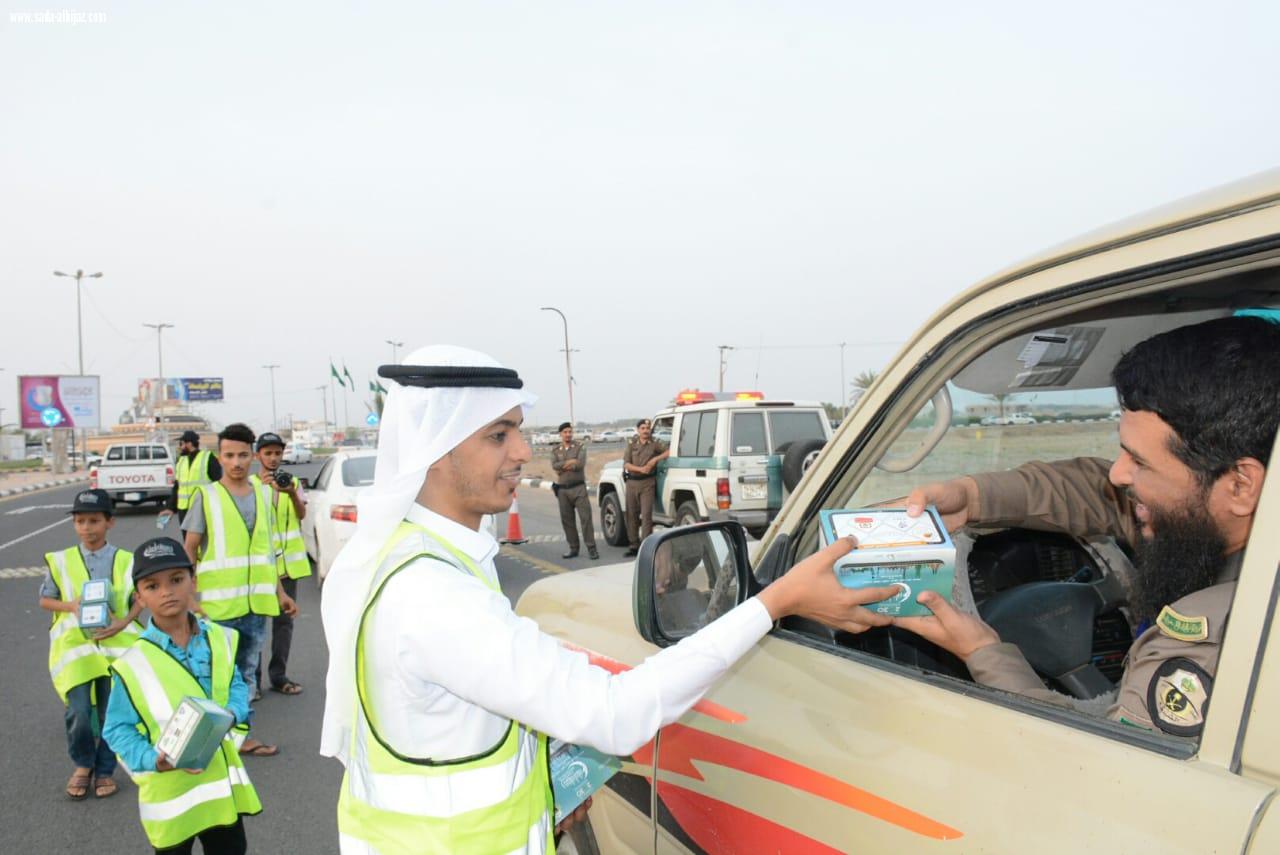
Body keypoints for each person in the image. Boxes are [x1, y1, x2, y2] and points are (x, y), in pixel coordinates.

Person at [320, 346, 896, 855]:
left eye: (519, 429)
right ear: (438, 451)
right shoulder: (431, 594)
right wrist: (772, 603)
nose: (523, 450)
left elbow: (457, 736)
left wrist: (542, 792)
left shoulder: (424, 558)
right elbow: (615, 715)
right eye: (498, 435)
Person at [892, 315, 1279, 737]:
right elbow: (1093, 491)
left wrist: (983, 651)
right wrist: (972, 497)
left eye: (1141, 462)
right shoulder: (1220, 524)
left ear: (1241, 484)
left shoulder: (1202, 644)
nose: (1118, 474)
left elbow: (1099, 767)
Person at [104, 536, 261, 854]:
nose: (166, 592)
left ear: (194, 580)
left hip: (219, 791)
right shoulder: (132, 663)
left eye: (176, 580)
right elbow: (116, 729)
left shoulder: (221, 638)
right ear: (140, 597)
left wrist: (232, 713)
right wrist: (152, 760)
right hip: (170, 795)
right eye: (152, 586)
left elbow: (236, 686)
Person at [182, 422, 297, 756]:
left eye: (243, 455)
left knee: (246, 675)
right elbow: (189, 551)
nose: (236, 462)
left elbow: (265, 551)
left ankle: (241, 737)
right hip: (216, 609)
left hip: (255, 607)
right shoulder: (206, 496)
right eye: (229, 455)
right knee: (213, 674)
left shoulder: (264, 495)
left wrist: (280, 593)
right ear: (219, 457)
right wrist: (190, 599)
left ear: (253, 456)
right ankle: (207, 738)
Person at [38, 488, 143, 800]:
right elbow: (45, 599)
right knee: (81, 712)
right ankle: (83, 763)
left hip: (117, 647)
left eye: (94, 520)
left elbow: (141, 599)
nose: (87, 528)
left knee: (113, 712)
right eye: (80, 521)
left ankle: (105, 769)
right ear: (74, 524)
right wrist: (71, 606)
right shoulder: (60, 561)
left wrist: (124, 621)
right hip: (76, 650)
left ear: (109, 522)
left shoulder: (127, 560)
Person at [250, 432, 310, 696]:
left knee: (284, 624)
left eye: (277, 453)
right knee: (256, 624)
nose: (273, 459)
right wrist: (263, 490)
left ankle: (279, 676)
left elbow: (301, 515)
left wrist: (290, 494)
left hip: (288, 567)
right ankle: (254, 680)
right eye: (268, 453)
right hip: (261, 566)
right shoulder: (250, 485)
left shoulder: (292, 482)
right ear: (258, 456)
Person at [623, 417, 669, 557]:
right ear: (638, 430)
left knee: (647, 516)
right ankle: (633, 545)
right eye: (642, 428)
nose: (645, 431)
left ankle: (646, 547)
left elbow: (669, 451)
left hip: (647, 484)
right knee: (632, 515)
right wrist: (640, 469)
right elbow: (626, 464)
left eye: (648, 428)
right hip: (632, 483)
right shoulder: (632, 443)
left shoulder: (654, 443)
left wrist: (655, 459)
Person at [551, 420, 597, 559]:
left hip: (579, 488)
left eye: (570, 432)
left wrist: (563, 466)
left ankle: (592, 549)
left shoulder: (579, 447)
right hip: (563, 490)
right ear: (560, 434)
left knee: (586, 519)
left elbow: (580, 464)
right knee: (567, 521)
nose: (568, 434)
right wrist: (570, 462)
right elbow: (554, 465)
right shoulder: (555, 450)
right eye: (565, 432)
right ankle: (573, 548)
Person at [161, 429, 221, 527]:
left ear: (189, 443)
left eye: (181, 443)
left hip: (203, 508)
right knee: (188, 541)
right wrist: (170, 508)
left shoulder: (208, 458)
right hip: (184, 510)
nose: (180, 447)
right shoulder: (181, 460)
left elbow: (219, 484)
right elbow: (177, 487)